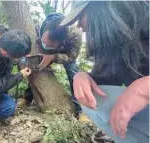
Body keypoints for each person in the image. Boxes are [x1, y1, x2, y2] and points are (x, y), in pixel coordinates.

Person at [60, 1, 149, 143]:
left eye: (81, 17)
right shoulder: (115, 41)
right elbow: (107, 77)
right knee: (94, 99)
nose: (79, 27)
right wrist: (82, 76)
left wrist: (144, 88)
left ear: (101, 9)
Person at [38, 13, 83, 115]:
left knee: (73, 72)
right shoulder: (42, 26)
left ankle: (79, 107)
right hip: (48, 52)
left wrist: (54, 57)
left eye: (49, 44)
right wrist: (41, 53)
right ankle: (28, 96)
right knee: (37, 66)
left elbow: (72, 57)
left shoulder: (75, 34)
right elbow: (38, 42)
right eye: (44, 40)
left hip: (66, 53)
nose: (45, 44)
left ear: (59, 42)